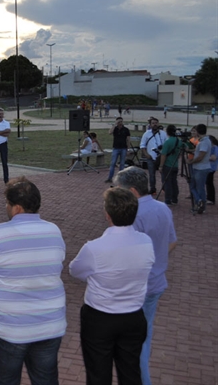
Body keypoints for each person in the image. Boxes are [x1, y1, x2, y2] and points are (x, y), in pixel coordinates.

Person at [0, 177, 67, 385]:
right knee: (46, 379)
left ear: (17, 208)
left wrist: (2, 288)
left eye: (7, 203)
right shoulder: (54, 231)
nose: (6, 207)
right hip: (49, 326)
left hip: (9, 328)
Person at [70, 187, 155, 385]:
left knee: (98, 375)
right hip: (134, 317)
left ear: (107, 215)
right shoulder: (146, 242)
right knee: (131, 373)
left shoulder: (94, 247)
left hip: (99, 318)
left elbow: (75, 271)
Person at [113, 167, 177, 385]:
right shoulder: (163, 208)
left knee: (134, 343)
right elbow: (172, 241)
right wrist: (155, 259)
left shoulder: (133, 214)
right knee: (144, 337)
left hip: (137, 288)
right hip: (156, 283)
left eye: (118, 189)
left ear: (132, 191)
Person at [185, 124, 212, 214]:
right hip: (197, 168)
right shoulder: (202, 141)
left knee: (199, 188)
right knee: (192, 186)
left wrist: (191, 161)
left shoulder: (204, 142)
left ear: (198, 131)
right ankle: (199, 201)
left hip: (201, 168)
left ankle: (201, 205)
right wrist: (189, 150)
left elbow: (201, 156)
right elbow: (198, 151)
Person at [140, 117, 167, 194]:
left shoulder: (163, 133)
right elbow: (142, 145)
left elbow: (166, 144)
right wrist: (146, 154)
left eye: (156, 123)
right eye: (153, 123)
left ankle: (164, 187)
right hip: (151, 157)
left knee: (163, 174)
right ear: (150, 124)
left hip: (161, 157)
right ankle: (153, 188)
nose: (155, 125)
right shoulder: (146, 134)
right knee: (152, 174)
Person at [159, 125, 181, 205]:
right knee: (174, 182)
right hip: (175, 165)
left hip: (168, 165)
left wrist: (161, 166)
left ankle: (168, 199)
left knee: (167, 182)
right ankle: (175, 199)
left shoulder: (167, 142)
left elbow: (163, 154)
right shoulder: (179, 141)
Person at [105, 117, 131, 183]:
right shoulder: (115, 129)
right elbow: (110, 132)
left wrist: (128, 149)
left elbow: (128, 139)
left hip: (123, 148)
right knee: (113, 163)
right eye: (118, 122)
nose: (120, 123)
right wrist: (115, 124)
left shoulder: (126, 129)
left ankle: (120, 179)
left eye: (121, 122)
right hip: (116, 148)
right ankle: (110, 178)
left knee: (122, 164)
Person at [206, 135, 218, 205]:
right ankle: (209, 197)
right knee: (208, 182)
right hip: (208, 167)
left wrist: (205, 157)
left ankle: (211, 198)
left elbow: (213, 158)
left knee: (209, 182)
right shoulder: (211, 148)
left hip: (212, 168)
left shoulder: (215, 148)